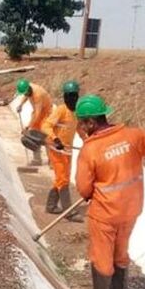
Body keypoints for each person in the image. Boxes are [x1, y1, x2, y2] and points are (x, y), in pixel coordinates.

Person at [74, 94, 145, 289]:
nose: (80, 126)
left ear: (90, 122)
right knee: (121, 250)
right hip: (131, 209)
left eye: (81, 122)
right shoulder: (132, 135)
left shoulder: (91, 150)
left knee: (102, 255)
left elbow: (84, 188)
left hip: (105, 213)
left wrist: (92, 192)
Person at [40, 80, 84, 216]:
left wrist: (88, 142)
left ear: (77, 96)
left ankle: (51, 206)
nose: (72, 98)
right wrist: (55, 139)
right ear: (65, 97)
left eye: (74, 95)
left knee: (62, 178)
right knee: (63, 179)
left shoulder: (76, 113)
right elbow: (45, 126)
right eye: (69, 95)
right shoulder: (60, 110)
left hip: (67, 150)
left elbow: (79, 130)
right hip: (56, 149)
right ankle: (68, 211)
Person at [15, 78, 53, 165]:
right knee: (33, 136)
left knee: (46, 137)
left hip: (47, 115)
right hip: (37, 113)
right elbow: (26, 96)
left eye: (25, 92)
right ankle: (37, 159)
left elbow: (37, 113)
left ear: (28, 89)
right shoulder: (28, 88)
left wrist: (28, 127)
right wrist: (21, 104)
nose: (25, 94)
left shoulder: (38, 95)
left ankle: (51, 161)